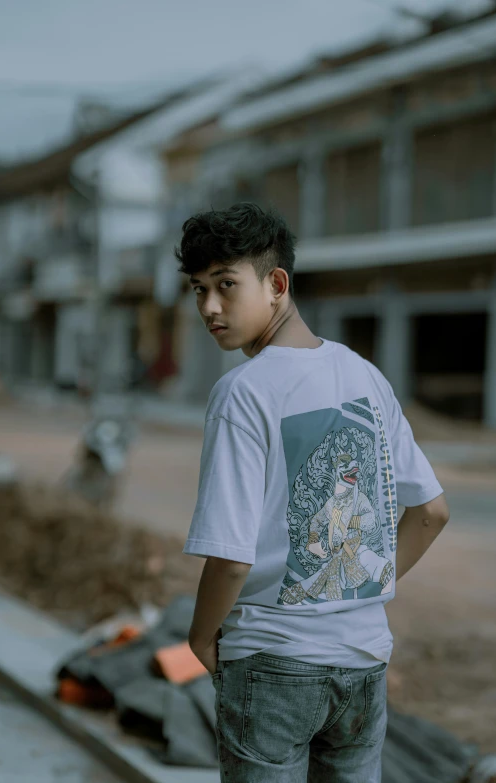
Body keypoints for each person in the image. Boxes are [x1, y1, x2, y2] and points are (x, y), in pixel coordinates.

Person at [175, 202, 449, 783]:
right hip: (364, 658)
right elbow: (431, 512)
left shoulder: (243, 392)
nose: (210, 307)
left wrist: (200, 637)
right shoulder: (365, 376)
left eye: (226, 285)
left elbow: (230, 556)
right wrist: (359, 590)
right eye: (198, 290)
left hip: (273, 661)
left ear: (276, 284)